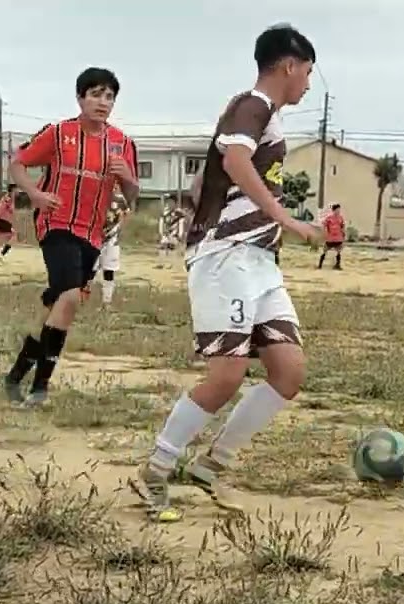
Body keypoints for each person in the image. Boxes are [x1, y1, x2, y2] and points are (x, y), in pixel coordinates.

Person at [129, 23, 320, 523]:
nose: (308, 84)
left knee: (288, 372)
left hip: (259, 262)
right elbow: (234, 160)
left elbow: (215, 170)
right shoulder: (251, 104)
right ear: (289, 66)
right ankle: (156, 469)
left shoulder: (266, 118)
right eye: (308, 73)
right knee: (227, 375)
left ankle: (213, 466)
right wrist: (285, 218)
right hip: (226, 259)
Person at [0, 67, 139, 407]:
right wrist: (34, 193)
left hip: (93, 234)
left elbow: (133, 196)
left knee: (57, 304)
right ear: (80, 98)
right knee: (71, 297)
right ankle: (40, 389)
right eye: (95, 94)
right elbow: (17, 164)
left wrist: (129, 179)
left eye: (109, 97)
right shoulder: (59, 133)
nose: (102, 102)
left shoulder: (122, 143)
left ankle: (16, 375)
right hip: (56, 223)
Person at [97, 195, 130, 306]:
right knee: (88, 269)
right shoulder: (96, 194)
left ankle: (107, 300)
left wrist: (117, 232)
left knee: (109, 270)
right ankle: (81, 297)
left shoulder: (120, 200)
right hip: (94, 239)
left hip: (112, 242)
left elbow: (126, 217)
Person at [0, 185, 17, 264]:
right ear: (12, 191)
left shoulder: (5, 198)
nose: (17, 192)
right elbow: (10, 209)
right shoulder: (8, 199)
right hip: (4, 221)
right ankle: (2, 254)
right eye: (15, 191)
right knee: (13, 236)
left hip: (2, 220)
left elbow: (0, 208)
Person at [318, 203, 345, 270]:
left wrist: (343, 234)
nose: (338, 211)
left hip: (338, 238)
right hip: (330, 238)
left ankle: (337, 265)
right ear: (334, 210)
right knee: (325, 251)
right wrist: (323, 233)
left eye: (339, 210)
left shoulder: (341, 217)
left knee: (338, 252)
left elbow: (342, 226)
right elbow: (324, 225)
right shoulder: (329, 218)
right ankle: (320, 265)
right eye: (337, 210)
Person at [157, 195, 180, 260]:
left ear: (175, 204)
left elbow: (179, 229)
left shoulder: (178, 214)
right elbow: (160, 228)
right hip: (165, 236)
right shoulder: (163, 215)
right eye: (168, 202)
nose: (169, 204)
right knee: (164, 244)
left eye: (171, 202)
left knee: (172, 245)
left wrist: (173, 236)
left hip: (174, 237)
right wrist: (163, 236)